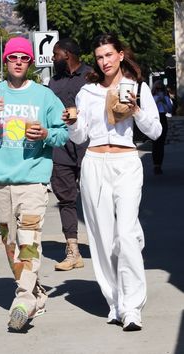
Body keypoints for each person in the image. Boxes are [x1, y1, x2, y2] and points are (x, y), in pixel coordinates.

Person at [0, 37, 68, 331]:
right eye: (13, 57)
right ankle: (36, 294)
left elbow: (62, 135)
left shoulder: (44, 97)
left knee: (29, 241)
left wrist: (46, 133)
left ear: (31, 62)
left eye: (24, 57)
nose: (19, 61)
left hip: (33, 180)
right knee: (11, 244)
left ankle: (22, 300)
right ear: (6, 62)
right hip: (0, 182)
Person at [63, 32, 162, 331]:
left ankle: (133, 307)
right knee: (102, 237)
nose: (104, 61)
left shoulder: (137, 88)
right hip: (94, 163)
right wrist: (73, 122)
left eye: (109, 54)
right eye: (99, 56)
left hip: (127, 163)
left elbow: (155, 131)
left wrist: (137, 110)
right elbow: (80, 137)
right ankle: (115, 303)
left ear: (120, 55)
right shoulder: (87, 91)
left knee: (127, 235)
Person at [49, 38, 92, 271]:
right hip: (61, 148)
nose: (53, 59)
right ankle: (73, 250)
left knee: (95, 197)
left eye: (56, 55)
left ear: (67, 54)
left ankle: (104, 246)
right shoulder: (53, 81)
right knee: (65, 198)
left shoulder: (92, 76)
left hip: (89, 146)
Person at [151, 80, 173, 175]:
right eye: (157, 88)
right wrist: (156, 101)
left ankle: (159, 165)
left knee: (161, 143)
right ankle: (155, 165)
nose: (159, 90)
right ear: (155, 89)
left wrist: (164, 101)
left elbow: (170, 110)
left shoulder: (166, 98)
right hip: (155, 118)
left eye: (161, 89)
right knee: (155, 143)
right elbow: (149, 109)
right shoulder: (152, 98)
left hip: (163, 118)